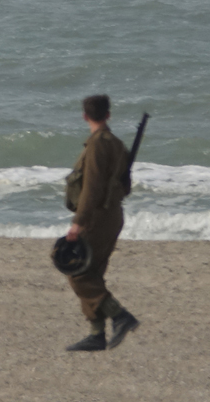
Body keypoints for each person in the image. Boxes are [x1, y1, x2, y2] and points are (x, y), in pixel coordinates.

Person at [62, 93, 141, 351]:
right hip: (113, 214)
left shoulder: (97, 145)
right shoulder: (117, 144)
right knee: (93, 273)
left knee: (77, 270)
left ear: (85, 116)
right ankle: (97, 333)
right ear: (108, 115)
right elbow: (125, 186)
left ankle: (120, 316)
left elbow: (92, 187)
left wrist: (79, 222)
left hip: (97, 216)